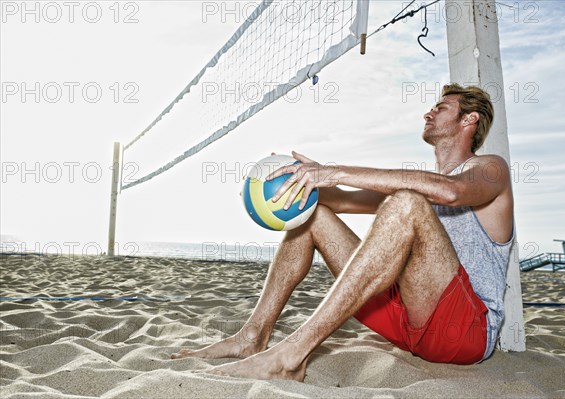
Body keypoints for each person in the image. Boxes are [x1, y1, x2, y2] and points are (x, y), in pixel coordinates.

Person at [171, 83, 514, 381]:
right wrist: (294, 178)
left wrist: (334, 171)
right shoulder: (423, 184)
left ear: (469, 120)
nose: (429, 112)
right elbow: (344, 201)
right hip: (406, 320)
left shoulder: (489, 168)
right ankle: (251, 337)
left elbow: (450, 192)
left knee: (406, 202)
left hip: (465, 331)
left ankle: (292, 357)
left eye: (441, 107)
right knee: (314, 214)